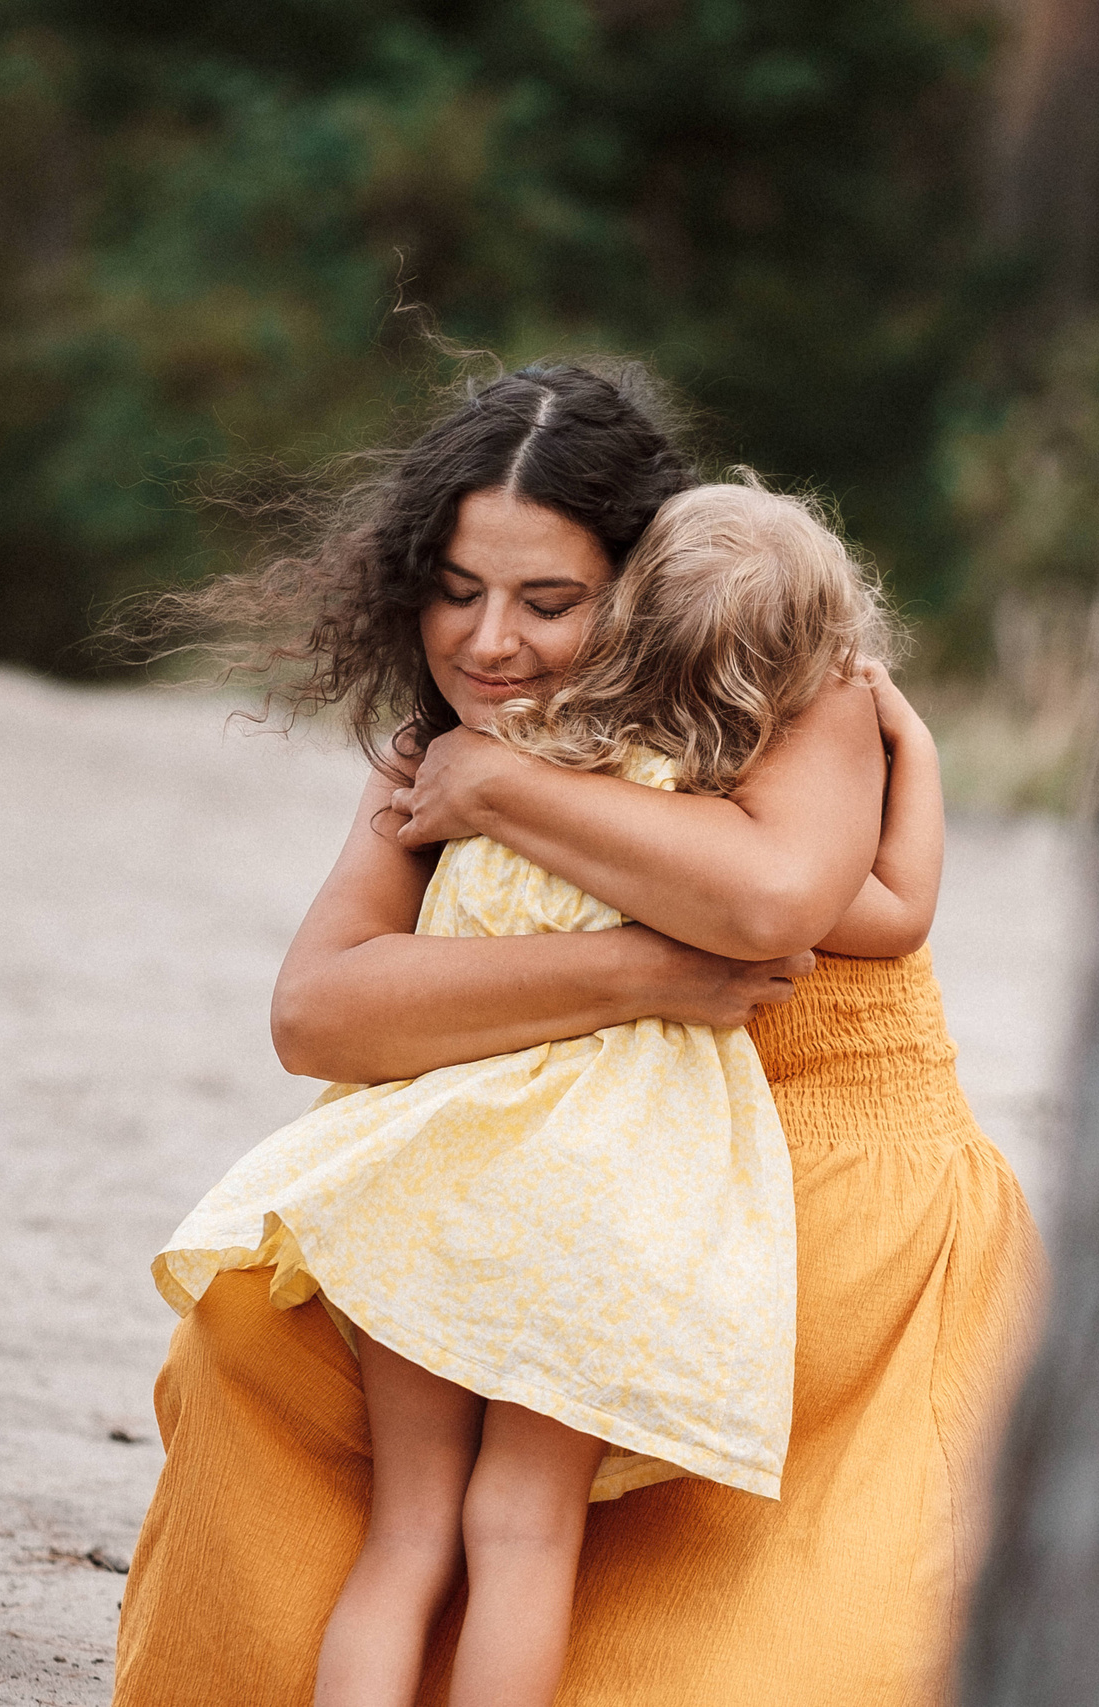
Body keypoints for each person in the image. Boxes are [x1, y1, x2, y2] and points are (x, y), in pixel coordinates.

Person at [113, 361, 1045, 1706]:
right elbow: (319, 1011)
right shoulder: (443, 756)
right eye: (454, 591)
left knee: (467, 1532)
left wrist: (497, 786)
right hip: (548, 1198)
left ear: (648, 587)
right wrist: (632, 970)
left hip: (821, 1209)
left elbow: (774, 899)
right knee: (292, 1369)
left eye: (548, 602)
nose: (488, 643)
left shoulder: (786, 698)